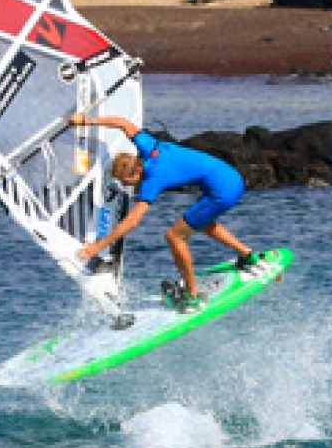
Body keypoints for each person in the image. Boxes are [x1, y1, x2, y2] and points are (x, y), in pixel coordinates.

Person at [69, 112, 263, 312]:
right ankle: (247, 255)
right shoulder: (148, 146)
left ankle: (192, 295)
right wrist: (86, 120)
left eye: (126, 181)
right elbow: (123, 123)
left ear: (136, 172)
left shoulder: (153, 177)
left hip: (222, 192)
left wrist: (98, 246)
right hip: (233, 177)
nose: (125, 185)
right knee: (200, 222)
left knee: (174, 236)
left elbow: (133, 221)